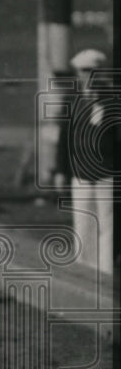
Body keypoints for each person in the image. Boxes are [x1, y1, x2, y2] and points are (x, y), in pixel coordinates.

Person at [54, 49, 114, 276]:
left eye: (91, 71)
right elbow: (64, 137)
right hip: (79, 172)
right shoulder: (72, 98)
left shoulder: (112, 98)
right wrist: (61, 170)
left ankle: (105, 274)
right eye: (82, 71)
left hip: (106, 172)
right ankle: (85, 273)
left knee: (106, 226)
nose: (86, 76)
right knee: (82, 224)